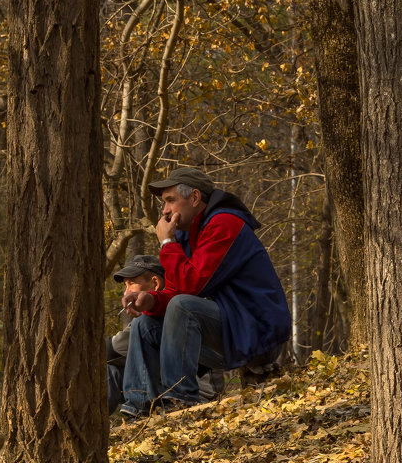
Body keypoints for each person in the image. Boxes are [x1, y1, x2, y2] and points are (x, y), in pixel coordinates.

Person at [118, 167, 290, 417]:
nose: (165, 211)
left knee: (182, 306)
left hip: (257, 333)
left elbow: (191, 287)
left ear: (195, 198)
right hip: (231, 330)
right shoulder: (189, 236)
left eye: (170, 201)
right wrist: (151, 301)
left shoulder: (224, 224)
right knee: (146, 323)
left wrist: (167, 243)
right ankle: (138, 408)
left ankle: (180, 403)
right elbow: (176, 290)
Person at [107, 254, 223, 413]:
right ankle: (85, 425)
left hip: (198, 397)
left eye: (131, 283)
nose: (126, 292)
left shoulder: (168, 312)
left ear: (155, 283)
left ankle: (140, 408)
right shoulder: (150, 317)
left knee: (110, 360)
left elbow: (112, 348)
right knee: (110, 370)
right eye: (125, 286)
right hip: (163, 392)